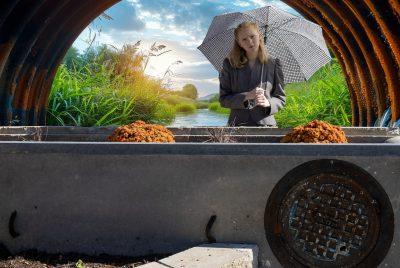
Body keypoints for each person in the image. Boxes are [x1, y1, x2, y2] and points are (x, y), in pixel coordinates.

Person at [219, 21, 286, 126]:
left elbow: (280, 98)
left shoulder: (273, 64)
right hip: (237, 127)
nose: (250, 42)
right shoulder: (229, 64)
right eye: (244, 39)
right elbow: (223, 99)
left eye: (252, 36)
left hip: (266, 126)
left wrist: (268, 103)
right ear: (239, 43)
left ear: (259, 36)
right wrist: (246, 96)